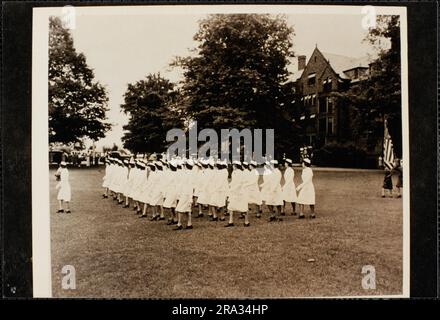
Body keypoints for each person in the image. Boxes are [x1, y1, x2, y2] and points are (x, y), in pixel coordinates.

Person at [226, 161, 250, 227]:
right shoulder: (234, 172)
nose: (232, 166)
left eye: (233, 165)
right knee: (231, 207)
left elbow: (240, 183)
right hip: (234, 192)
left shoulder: (241, 173)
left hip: (241, 192)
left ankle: (246, 222)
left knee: (244, 207)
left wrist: (233, 189)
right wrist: (230, 185)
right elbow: (234, 181)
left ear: (236, 166)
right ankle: (231, 222)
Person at [174, 159, 195, 230]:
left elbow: (182, 185)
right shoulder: (190, 173)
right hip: (187, 194)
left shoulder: (187, 174)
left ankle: (179, 224)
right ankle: (189, 223)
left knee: (179, 209)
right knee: (187, 209)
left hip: (185, 193)